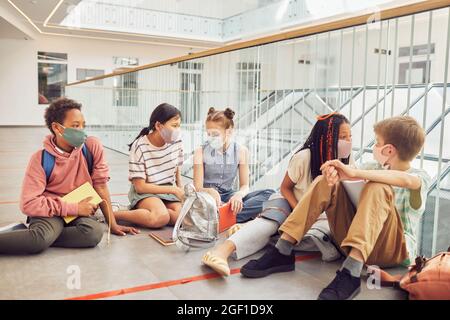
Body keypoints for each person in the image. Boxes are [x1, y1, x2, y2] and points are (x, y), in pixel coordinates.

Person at [241, 116, 430, 301]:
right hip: (352, 240)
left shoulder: (420, 176)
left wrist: (354, 172)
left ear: (388, 150)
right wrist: (334, 174)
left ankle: (351, 273)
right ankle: (282, 250)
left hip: (392, 251)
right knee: (327, 181)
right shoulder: (372, 165)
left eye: (377, 142)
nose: (374, 146)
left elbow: (406, 180)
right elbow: (344, 180)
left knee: (378, 185)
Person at [202, 112, 352, 276]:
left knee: (317, 238)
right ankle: (222, 251)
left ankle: (249, 228)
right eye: (343, 137)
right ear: (327, 137)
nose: (348, 142)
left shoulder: (347, 162)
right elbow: (285, 188)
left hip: (318, 220)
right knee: (272, 220)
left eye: (350, 137)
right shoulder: (304, 157)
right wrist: (299, 211)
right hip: (293, 206)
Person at [0, 98, 139, 255]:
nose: (82, 131)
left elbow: (100, 186)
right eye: (75, 126)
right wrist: (72, 207)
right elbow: (28, 204)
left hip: (78, 211)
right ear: (57, 128)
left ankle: (43, 236)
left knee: (93, 233)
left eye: (83, 125)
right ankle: (40, 236)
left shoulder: (92, 147)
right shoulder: (40, 159)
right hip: (51, 211)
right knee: (39, 240)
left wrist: (112, 223)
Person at [193, 107, 275, 224]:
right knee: (202, 204)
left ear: (229, 131)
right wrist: (210, 191)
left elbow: (245, 185)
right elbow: (197, 188)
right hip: (207, 198)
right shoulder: (200, 152)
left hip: (229, 197)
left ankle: (220, 217)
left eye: (215, 134)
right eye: (208, 134)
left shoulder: (241, 151)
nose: (211, 138)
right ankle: (228, 216)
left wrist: (238, 195)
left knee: (270, 193)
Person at [114, 103, 184, 228]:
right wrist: (173, 189)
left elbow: (177, 167)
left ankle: (148, 213)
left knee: (182, 217)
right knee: (160, 217)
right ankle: (114, 214)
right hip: (145, 192)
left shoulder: (176, 142)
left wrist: (180, 189)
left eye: (179, 126)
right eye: (174, 126)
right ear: (158, 126)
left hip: (167, 192)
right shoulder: (139, 146)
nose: (178, 130)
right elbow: (140, 187)